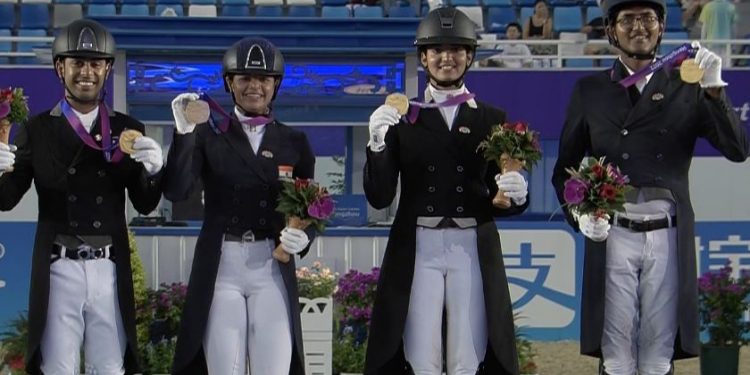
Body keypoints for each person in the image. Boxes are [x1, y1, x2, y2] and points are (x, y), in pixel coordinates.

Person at [550, 0, 749, 373]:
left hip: (666, 233)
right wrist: (579, 215)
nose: (639, 27)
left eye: (648, 18)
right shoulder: (589, 91)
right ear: (611, 31)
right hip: (614, 232)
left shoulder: (686, 86)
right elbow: (564, 170)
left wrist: (715, 91)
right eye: (628, 20)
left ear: (661, 28)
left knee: (659, 353)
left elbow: (737, 149)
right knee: (617, 352)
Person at [363, 7, 528, 375]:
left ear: (469, 56)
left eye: (456, 50)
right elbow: (380, 196)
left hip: (471, 243)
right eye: (437, 50)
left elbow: (501, 194)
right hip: (419, 245)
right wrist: (376, 143)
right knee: (421, 357)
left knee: (466, 357)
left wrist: (516, 192)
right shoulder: (404, 118)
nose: (446, 58)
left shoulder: (491, 118)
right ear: (423, 57)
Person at [0, 19, 164, 374]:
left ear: (107, 69)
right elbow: (7, 198)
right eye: (77, 63)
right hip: (59, 268)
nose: (86, 72)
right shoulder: (36, 129)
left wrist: (153, 172)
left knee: (109, 368)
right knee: (58, 367)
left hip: (109, 266)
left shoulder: (128, 129)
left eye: (95, 64)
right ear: (61, 68)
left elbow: (146, 203)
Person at [164, 36, 315, 375]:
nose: (255, 87)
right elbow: (176, 190)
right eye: (245, 78)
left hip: (272, 265)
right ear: (230, 83)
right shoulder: (207, 135)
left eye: (263, 79)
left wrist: (307, 236)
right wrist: (184, 133)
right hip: (222, 266)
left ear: (275, 85)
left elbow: (310, 207)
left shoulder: (295, 142)